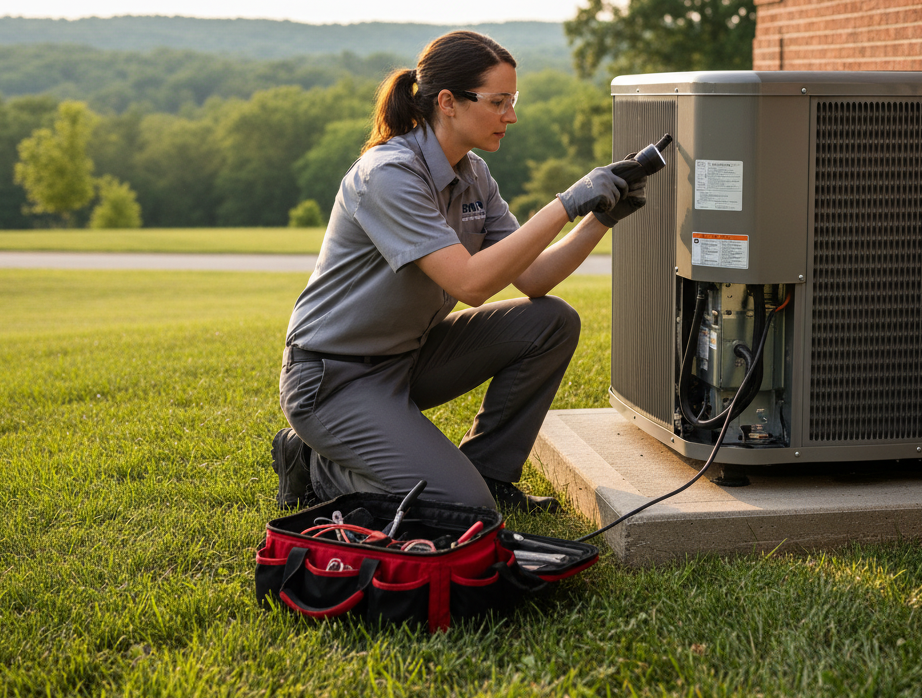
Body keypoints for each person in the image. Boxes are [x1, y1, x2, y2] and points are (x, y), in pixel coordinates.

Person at [272, 30, 648, 514]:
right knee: (460, 509)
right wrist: (567, 203)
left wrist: (601, 218)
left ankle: (490, 473)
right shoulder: (387, 174)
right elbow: (470, 284)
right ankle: (311, 461)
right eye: (498, 102)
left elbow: (531, 279)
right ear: (447, 102)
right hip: (335, 378)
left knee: (550, 321)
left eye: (513, 101)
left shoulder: (473, 174)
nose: (510, 115)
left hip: (407, 359)